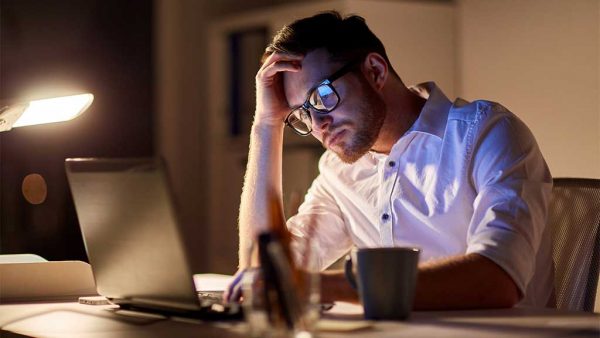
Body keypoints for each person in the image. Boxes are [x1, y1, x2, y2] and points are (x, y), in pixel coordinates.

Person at [226, 10, 553, 310]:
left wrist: (318, 286)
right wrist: (267, 123)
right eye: (303, 114)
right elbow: (264, 272)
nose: (317, 126)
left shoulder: (487, 133)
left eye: (322, 96)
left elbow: (496, 281)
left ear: (375, 71)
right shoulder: (338, 171)